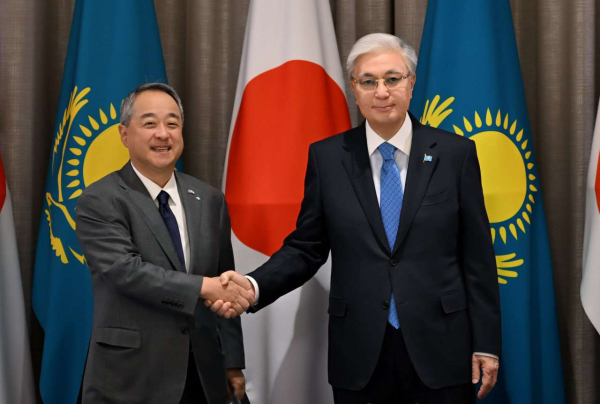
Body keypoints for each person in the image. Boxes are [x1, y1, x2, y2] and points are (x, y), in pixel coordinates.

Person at [212, 33, 501, 403]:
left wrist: (486, 343)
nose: (381, 91)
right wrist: (253, 286)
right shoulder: (328, 158)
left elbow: (477, 257)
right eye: (368, 81)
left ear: (411, 83)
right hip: (360, 351)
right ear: (353, 88)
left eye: (392, 79)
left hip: (442, 346)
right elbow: (306, 247)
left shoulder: (455, 154)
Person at [76, 83, 254, 404]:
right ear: (124, 134)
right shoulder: (100, 198)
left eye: (172, 123)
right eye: (149, 123)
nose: (163, 134)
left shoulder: (209, 199)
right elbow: (126, 271)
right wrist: (204, 287)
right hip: (132, 376)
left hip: (203, 373)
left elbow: (223, 278)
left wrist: (232, 362)